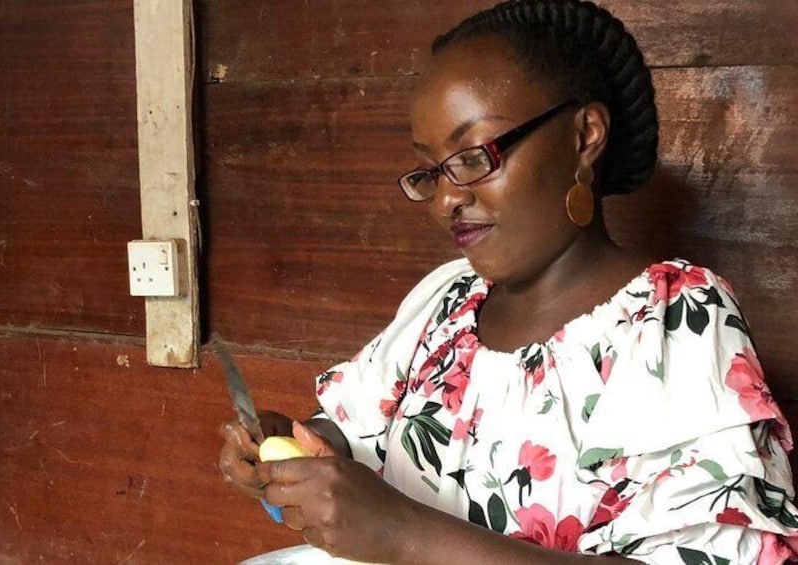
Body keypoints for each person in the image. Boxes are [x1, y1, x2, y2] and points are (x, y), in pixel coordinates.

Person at [219, 0, 798, 562]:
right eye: (429, 170)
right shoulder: (446, 301)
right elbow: (349, 431)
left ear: (584, 135)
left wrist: (406, 536)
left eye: (473, 156)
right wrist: (284, 446)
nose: (445, 199)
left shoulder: (675, 323)